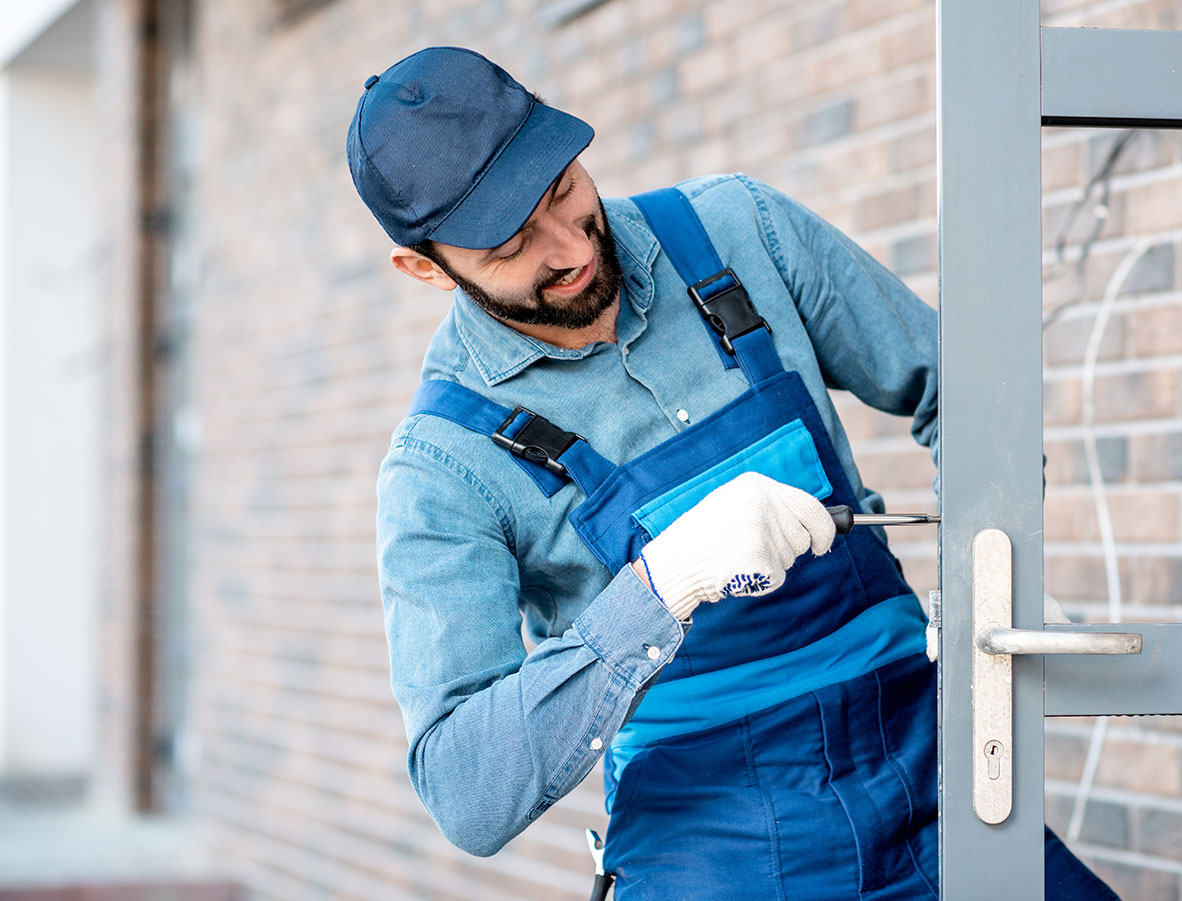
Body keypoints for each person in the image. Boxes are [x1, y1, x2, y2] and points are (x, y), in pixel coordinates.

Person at [349, 46, 1118, 900]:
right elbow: (467, 789)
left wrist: (992, 563)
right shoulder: (443, 469)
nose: (571, 245)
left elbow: (969, 391)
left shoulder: (738, 231)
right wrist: (662, 585)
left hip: (929, 762)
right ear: (425, 267)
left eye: (562, 187)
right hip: (713, 838)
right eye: (511, 240)